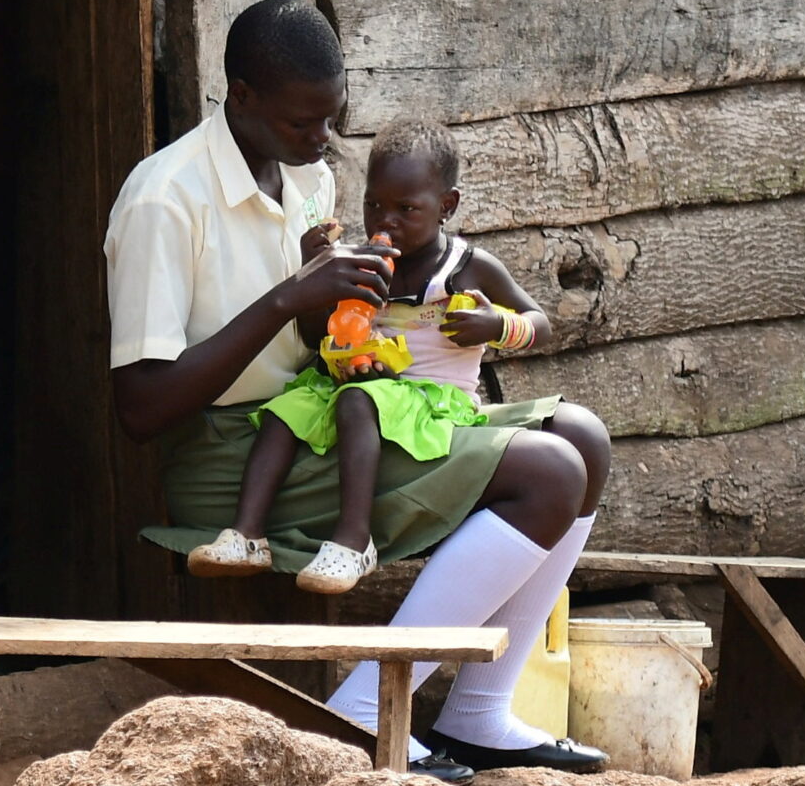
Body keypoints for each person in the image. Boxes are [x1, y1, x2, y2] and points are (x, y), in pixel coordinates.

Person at [105, 0, 611, 780]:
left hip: (331, 418)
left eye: (332, 119)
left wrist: (362, 324)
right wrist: (287, 299)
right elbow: (140, 410)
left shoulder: (306, 179)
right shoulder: (164, 198)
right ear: (241, 97)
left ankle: (477, 713)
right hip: (236, 454)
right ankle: (367, 711)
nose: (324, 142)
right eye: (305, 123)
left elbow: (322, 338)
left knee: (585, 438)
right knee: (550, 473)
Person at [186, 119, 556, 597]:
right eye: (374, 204)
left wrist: (497, 327)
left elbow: (541, 323)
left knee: (358, 401)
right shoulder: (360, 262)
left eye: (406, 208)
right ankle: (247, 535)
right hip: (362, 384)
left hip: (433, 398)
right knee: (285, 409)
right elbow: (314, 332)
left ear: (447, 206)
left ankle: (353, 542)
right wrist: (311, 274)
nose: (386, 221)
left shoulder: (467, 268)